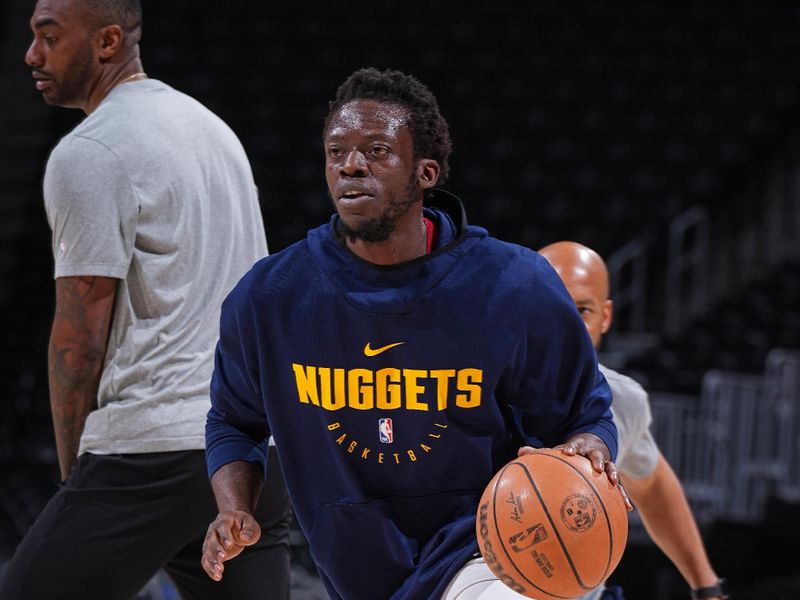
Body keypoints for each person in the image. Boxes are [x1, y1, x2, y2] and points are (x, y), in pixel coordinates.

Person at [200, 66, 628, 600]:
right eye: (337, 153)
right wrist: (234, 509)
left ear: (425, 173)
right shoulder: (269, 298)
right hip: (356, 569)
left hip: (492, 546)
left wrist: (587, 448)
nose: (352, 166)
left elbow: (583, 416)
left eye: (376, 151)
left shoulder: (514, 285)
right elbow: (232, 422)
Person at [0, 0, 292, 598]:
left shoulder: (92, 151)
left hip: (155, 449)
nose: (32, 55)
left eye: (50, 38)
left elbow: (78, 336)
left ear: (107, 42)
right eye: (32, 36)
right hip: (250, 446)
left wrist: (75, 474)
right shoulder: (214, 130)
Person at [538, 241, 729, 600]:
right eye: (551, 306)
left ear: (605, 317)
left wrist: (707, 586)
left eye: (581, 310)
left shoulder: (622, 399)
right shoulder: (477, 387)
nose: (565, 325)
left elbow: (653, 484)